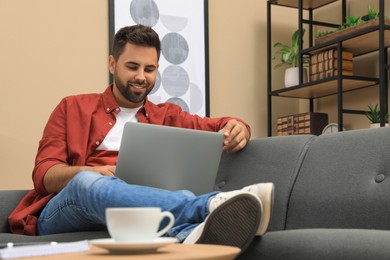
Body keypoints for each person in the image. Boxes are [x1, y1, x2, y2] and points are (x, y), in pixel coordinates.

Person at [9, 25, 274, 251]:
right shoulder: (71, 107)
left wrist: (238, 127)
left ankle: (189, 232)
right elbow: (44, 174)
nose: (140, 77)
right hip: (68, 209)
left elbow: (218, 124)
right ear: (112, 63)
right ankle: (211, 205)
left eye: (149, 69)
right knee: (87, 183)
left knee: (162, 197)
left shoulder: (168, 115)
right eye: (132, 66)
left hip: (134, 211)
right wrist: (92, 171)